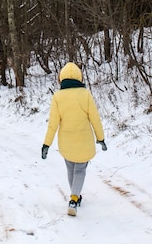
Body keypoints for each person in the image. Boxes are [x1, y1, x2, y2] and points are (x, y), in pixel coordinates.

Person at [41, 62, 107, 216]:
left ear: (61, 78)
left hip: (66, 140)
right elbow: (95, 119)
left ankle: (75, 196)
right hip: (84, 139)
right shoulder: (85, 94)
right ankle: (74, 198)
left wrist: (46, 144)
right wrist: (100, 138)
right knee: (80, 170)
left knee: (71, 169)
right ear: (79, 76)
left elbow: (53, 124)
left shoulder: (57, 96)